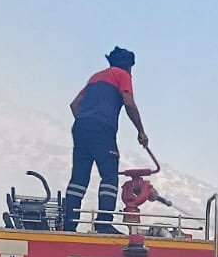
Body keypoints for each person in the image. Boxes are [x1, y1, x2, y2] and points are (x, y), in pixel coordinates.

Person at [62, 47, 151, 234]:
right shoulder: (122, 75)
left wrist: (86, 121)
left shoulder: (96, 77)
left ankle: (69, 224)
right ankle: (103, 224)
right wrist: (141, 131)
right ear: (128, 67)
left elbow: (74, 105)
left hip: (80, 128)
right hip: (102, 130)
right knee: (109, 176)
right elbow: (128, 102)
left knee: (79, 177)